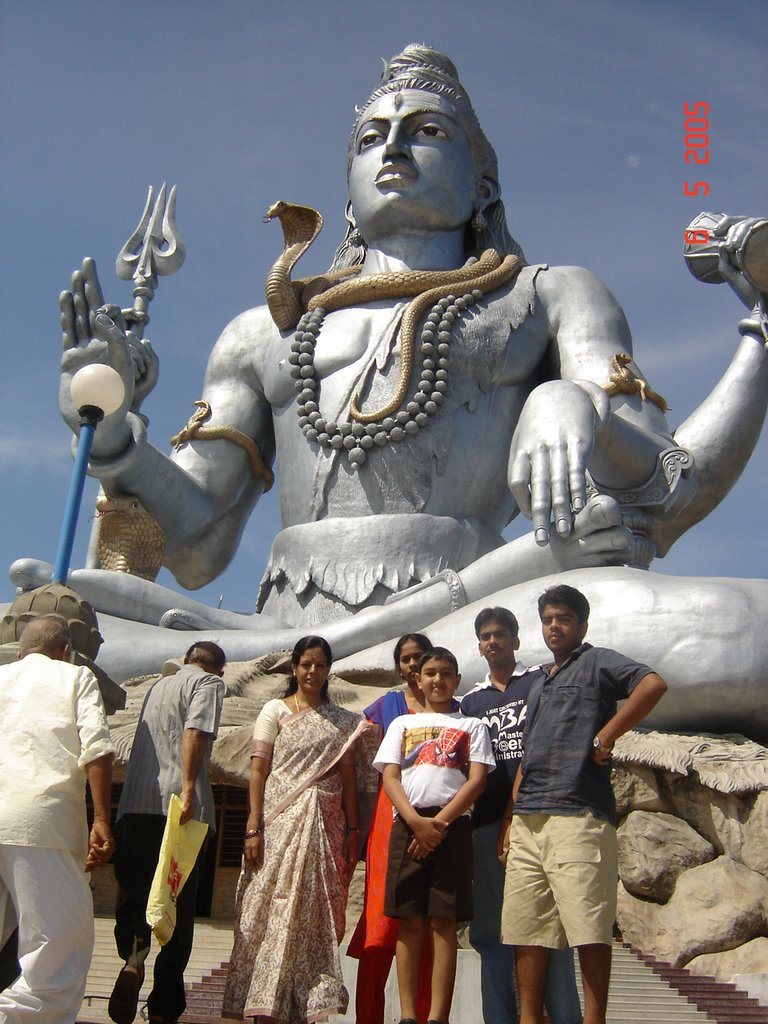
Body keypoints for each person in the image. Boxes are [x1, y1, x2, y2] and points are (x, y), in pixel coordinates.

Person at [42, 45, 767, 688]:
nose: (392, 150)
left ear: (482, 186)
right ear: (348, 195)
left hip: (478, 618)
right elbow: (197, 540)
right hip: (274, 637)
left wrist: (570, 404)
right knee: (45, 628)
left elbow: (669, 485)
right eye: (370, 138)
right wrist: (110, 437)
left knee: (734, 629)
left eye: (427, 132)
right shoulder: (261, 333)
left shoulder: (550, 295)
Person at [500, 585, 668, 1024]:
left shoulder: (596, 661)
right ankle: (529, 1018)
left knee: (589, 927)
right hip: (528, 819)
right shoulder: (538, 682)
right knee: (526, 931)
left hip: (578, 812)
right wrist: (513, 809)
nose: (555, 626)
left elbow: (652, 684)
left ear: (582, 625)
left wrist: (607, 735)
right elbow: (531, 748)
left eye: (564, 619)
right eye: (548, 619)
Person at [222, 636, 367, 1022]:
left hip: (326, 829)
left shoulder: (344, 722)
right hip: (277, 826)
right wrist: (253, 826)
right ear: (294, 667)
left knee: (315, 917)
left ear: (329, 669)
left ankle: (305, 1002)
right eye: (306, 664)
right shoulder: (275, 710)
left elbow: (349, 779)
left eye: (320, 665)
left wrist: (354, 831)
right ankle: (264, 1001)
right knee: (266, 912)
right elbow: (258, 769)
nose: (313, 671)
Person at [460, 607, 581, 1024]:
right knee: (491, 933)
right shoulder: (470, 703)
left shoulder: (540, 682)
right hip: (488, 820)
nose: (493, 641)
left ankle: (565, 1015)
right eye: (485, 636)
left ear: (515, 639)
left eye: (500, 634)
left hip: (539, 816)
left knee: (549, 929)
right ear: (479, 645)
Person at [0, 615, 115, 1023]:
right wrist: (102, 818)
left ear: (19, 652)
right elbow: (98, 747)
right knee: (58, 958)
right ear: (66, 650)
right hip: (41, 821)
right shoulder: (74, 677)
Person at [373, 647, 495, 1024]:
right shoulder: (401, 726)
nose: (437, 680)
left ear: (457, 680)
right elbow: (390, 776)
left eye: (445, 673)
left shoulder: (471, 726)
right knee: (408, 920)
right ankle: (409, 1014)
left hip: (451, 828)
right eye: (430, 673)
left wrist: (438, 824)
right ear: (418, 679)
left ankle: (439, 1016)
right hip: (408, 825)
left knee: (444, 922)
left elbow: (476, 781)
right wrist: (415, 821)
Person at [108, 640, 226, 1024]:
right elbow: (195, 731)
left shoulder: (158, 686)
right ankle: (163, 1007)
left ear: (188, 659)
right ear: (217, 669)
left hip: (134, 805)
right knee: (177, 903)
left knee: (135, 896)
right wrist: (189, 788)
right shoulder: (208, 684)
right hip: (179, 810)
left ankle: (133, 960)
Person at [348, 633, 435, 1024]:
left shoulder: (452, 709)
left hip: (436, 819)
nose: (413, 665)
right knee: (381, 927)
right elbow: (357, 756)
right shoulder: (386, 707)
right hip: (389, 815)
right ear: (398, 665)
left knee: (429, 923)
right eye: (405, 658)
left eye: (419, 657)